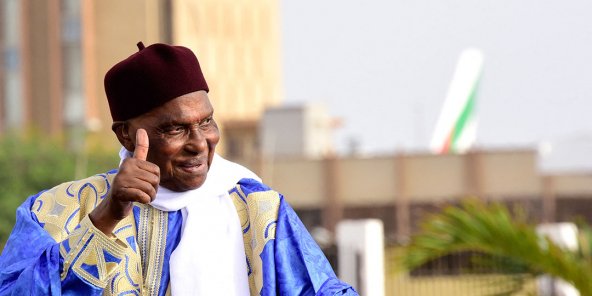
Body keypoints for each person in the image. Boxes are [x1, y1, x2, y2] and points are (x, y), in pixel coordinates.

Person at [0, 42, 357, 295]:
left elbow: (319, 289)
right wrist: (106, 218)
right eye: (175, 128)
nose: (200, 142)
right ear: (126, 135)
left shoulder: (260, 210)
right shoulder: (52, 211)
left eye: (206, 122)